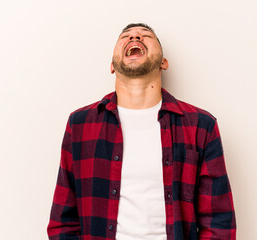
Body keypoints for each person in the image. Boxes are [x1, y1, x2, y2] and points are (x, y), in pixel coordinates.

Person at [47, 23, 236, 240]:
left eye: (146, 35)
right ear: (112, 65)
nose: (135, 36)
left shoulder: (201, 126)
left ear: (163, 63)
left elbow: (219, 224)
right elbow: (63, 223)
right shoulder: (80, 125)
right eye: (125, 36)